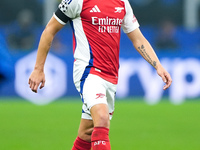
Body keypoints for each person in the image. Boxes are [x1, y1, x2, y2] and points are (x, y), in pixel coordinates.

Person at [28, 0, 172, 149]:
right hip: (88, 71)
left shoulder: (122, 3)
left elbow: (138, 39)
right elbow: (49, 30)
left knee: (87, 133)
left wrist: (157, 65)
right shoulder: (76, 1)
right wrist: (38, 69)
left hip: (111, 75)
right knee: (102, 118)